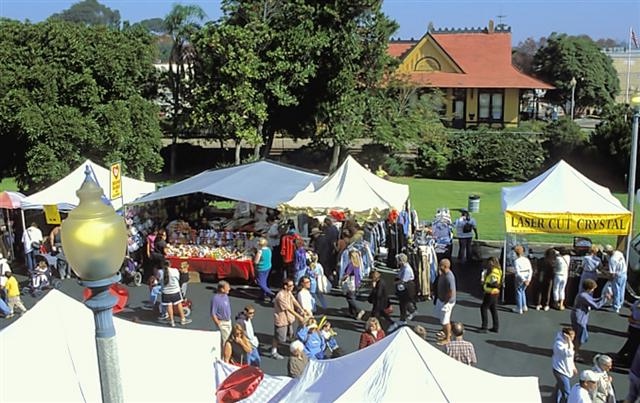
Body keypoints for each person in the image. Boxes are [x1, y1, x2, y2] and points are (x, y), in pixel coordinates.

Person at [571, 279, 611, 361]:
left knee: (579, 336)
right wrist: (604, 299)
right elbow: (596, 306)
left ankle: (573, 351)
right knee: (579, 337)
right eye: (593, 288)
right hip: (580, 318)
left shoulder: (584, 294)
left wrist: (602, 297)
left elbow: (593, 300)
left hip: (580, 317)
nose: (593, 290)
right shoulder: (583, 296)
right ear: (589, 288)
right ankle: (574, 353)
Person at [271, 279, 306, 360]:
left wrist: (301, 309)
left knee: (291, 335)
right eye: (290, 286)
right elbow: (288, 308)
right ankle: (273, 351)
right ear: (285, 286)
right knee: (279, 338)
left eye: (293, 285)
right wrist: (299, 317)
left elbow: (294, 300)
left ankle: (294, 350)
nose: (292, 287)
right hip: (281, 320)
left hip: (289, 318)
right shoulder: (280, 296)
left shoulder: (288, 292)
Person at [160, 260, 191, 327]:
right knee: (179, 304)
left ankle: (172, 322)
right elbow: (178, 278)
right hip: (175, 291)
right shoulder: (175, 271)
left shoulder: (160, 272)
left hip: (166, 293)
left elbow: (160, 281)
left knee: (169, 305)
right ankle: (183, 319)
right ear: (170, 264)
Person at [552, 327, 578, 403]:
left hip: (565, 369)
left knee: (560, 386)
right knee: (566, 393)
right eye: (571, 337)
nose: (573, 339)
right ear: (566, 336)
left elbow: (570, 358)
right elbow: (569, 353)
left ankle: (553, 399)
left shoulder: (568, 343)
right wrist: (569, 341)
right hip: (560, 371)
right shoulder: (558, 344)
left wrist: (573, 367)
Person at [435, 258, 456, 344]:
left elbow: (451, 292)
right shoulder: (443, 274)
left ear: (446, 266)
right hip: (442, 299)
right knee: (442, 318)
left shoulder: (449, 277)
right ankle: (446, 332)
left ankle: (447, 338)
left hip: (447, 302)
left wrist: (445, 301)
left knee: (445, 321)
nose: (439, 267)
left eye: (441, 266)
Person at [341, 249, 365, 320]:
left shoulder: (351, 265)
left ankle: (358, 310)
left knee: (350, 298)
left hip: (350, 282)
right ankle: (352, 312)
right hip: (356, 282)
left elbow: (347, 274)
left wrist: (342, 279)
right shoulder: (357, 264)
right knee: (352, 296)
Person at [479, 256, 501, 333]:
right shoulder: (497, 270)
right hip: (494, 292)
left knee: (484, 308)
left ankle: (484, 327)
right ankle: (496, 326)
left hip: (491, 292)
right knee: (493, 309)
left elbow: (495, 283)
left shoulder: (494, 272)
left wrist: (486, 284)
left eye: (489, 262)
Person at [603, 244, 627, 313]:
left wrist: (609, 279)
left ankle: (616, 306)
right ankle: (620, 302)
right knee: (622, 290)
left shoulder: (612, 260)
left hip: (617, 275)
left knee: (616, 291)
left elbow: (612, 274)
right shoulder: (619, 253)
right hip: (624, 273)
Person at [617, 298, 640, 367]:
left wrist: (634, 321)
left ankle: (628, 361)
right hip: (634, 328)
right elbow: (632, 312)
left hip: (636, 328)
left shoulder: (636, 302)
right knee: (632, 344)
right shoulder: (636, 302)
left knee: (633, 345)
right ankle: (624, 357)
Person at [395, 253, 417, 322]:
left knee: (404, 302)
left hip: (407, 286)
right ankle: (408, 313)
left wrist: (394, 283)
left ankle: (405, 316)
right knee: (404, 302)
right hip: (404, 285)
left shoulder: (406, 269)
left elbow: (403, 280)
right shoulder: (403, 267)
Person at [210, 280, 233, 347]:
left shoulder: (226, 296)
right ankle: (224, 356)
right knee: (226, 341)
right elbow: (213, 313)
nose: (229, 288)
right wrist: (218, 323)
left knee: (228, 339)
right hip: (222, 323)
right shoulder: (215, 299)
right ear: (222, 289)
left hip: (228, 321)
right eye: (227, 287)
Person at [513, 245, 532, 314]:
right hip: (527, 275)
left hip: (520, 277)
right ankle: (524, 306)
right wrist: (528, 279)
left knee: (518, 292)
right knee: (523, 291)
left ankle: (519, 308)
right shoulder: (526, 260)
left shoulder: (516, 261)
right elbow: (530, 270)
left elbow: (518, 272)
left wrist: (524, 280)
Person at [254, 237, 275, 302]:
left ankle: (271, 293)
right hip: (268, 267)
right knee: (264, 281)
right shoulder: (268, 249)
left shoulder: (260, 251)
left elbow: (256, 262)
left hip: (261, 268)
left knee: (260, 283)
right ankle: (262, 295)